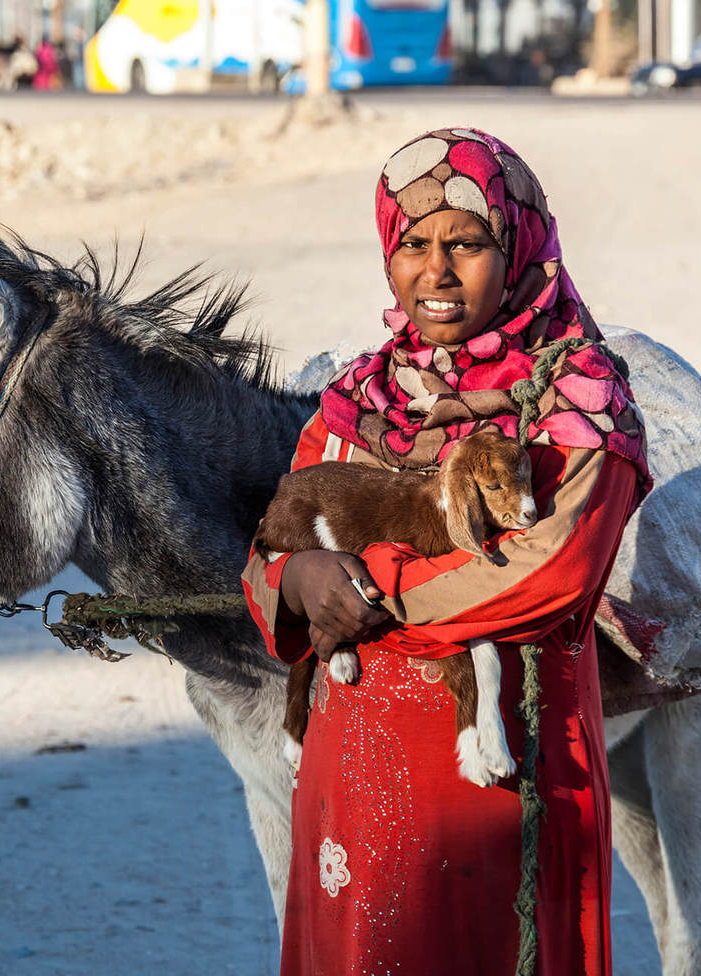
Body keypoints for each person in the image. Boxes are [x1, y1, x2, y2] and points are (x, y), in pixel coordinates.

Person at [241, 127, 652, 976]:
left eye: (467, 243)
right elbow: (270, 545)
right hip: (349, 772)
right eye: (413, 245)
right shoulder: (359, 397)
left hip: (498, 770)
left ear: (520, 248)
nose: (436, 270)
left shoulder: (576, 398)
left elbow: (553, 573)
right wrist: (295, 580)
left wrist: (371, 588)